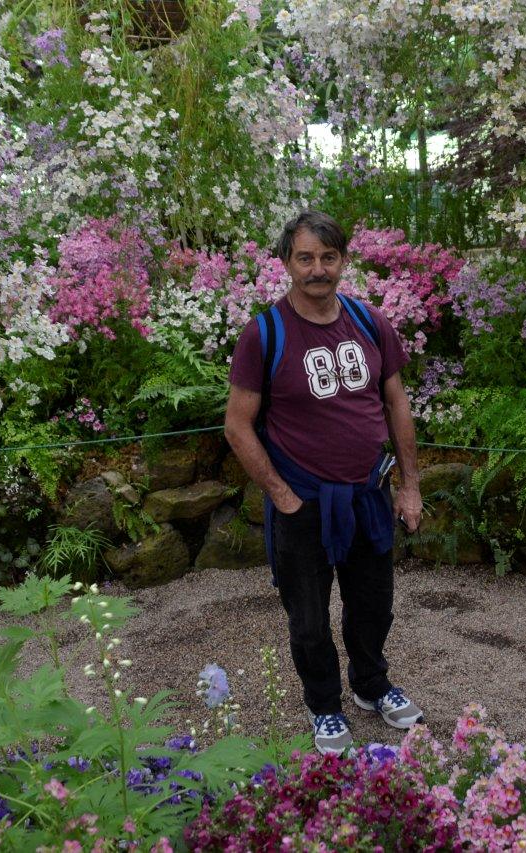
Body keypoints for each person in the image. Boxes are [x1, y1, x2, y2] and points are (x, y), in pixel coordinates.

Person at [224, 210, 424, 754]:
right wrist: (282, 495)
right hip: (303, 501)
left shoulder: (368, 322)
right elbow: (237, 425)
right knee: (308, 618)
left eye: (328, 257)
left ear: (343, 261)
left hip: (366, 495)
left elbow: (396, 402)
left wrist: (409, 485)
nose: (318, 269)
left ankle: (370, 685)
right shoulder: (263, 334)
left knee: (373, 605)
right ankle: (325, 707)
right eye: (306, 257)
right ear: (286, 262)